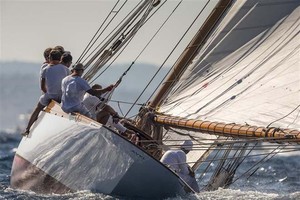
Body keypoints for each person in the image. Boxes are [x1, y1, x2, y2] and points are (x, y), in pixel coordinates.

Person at [22, 50, 70, 136]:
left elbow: (42, 87)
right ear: (60, 58)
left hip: (50, 95)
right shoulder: (66, 69)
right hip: (61, 96)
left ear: (50, 58)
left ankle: (27, 129)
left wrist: (48, 94)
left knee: (37, 108)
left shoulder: (45, 69)